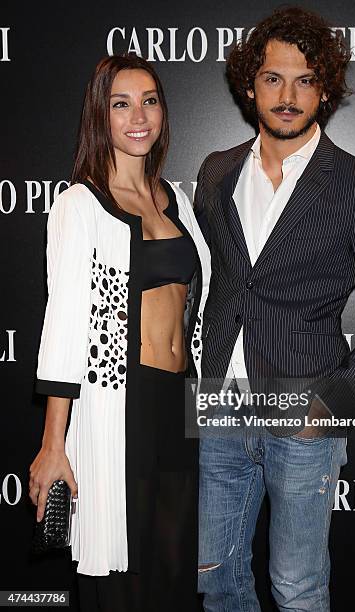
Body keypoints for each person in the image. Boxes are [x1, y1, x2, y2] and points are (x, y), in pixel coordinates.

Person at [194, 6, 355, 611]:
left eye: (305, 80)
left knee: (297, 590)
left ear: (325, 89)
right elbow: (226, 287)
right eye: (273, 78)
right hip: (222, 409)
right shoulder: (216, 173)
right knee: (215, 579)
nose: (288, 96)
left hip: (305, 416)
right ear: (250, 85)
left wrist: (333, 408)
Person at [28, 53, 210, 611]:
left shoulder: (175, 201)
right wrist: (53, 445)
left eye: (149, 102)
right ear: (99, 117)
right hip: (120, 407)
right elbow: (63, 328)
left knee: (175, 571)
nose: (139, 116)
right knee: (123, 578)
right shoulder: (79, 205)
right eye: (121, 103)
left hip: (180, 407)